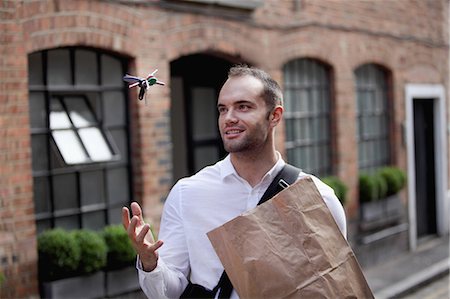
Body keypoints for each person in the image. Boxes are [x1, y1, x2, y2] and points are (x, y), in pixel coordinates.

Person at [122, 65, 347, 299]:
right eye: (223, 109)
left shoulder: (318, 198)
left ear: (275, 116)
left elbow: (333, 287)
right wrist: (150, 263)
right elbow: (169, 293)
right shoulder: (188, 193)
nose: (229, 118)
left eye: (243, 107)